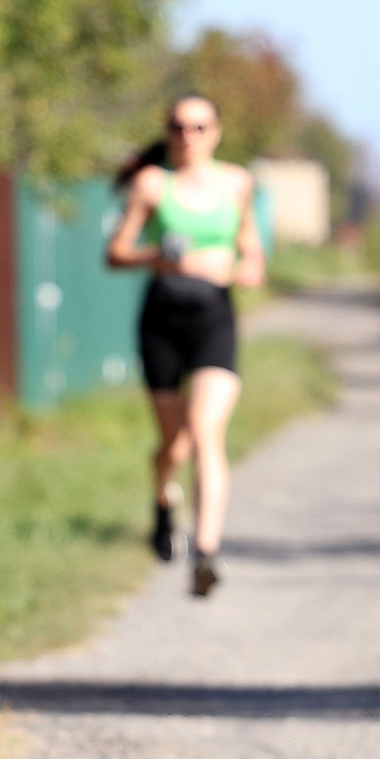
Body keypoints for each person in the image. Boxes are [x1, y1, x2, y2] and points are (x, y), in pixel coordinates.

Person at [106, 94, 265, 598]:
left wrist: (240, 270)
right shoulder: (153, 185)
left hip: (214, 317)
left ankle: (206, 551)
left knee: (204, 434)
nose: (188, 137)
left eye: (198, 127)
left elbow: (253, 256)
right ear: (167, 132)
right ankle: (162, 503)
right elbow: (116, 253)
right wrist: (162, 255)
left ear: (215, 132)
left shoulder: (237, 183)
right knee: (173, 445)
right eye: (178, 127)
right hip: (162, 319)